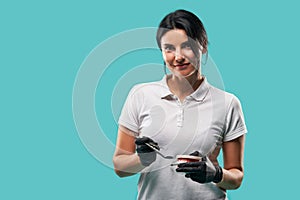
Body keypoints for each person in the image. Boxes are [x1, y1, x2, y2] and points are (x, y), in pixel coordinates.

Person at [113, 9, 247, 200]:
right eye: (169, 48)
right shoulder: (140, 95)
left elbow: (237, 177)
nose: (178, 57)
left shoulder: (228, 104)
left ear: (203, 46)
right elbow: (120, 166)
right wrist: (141, 160)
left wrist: (217, 174)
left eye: (187, 46)